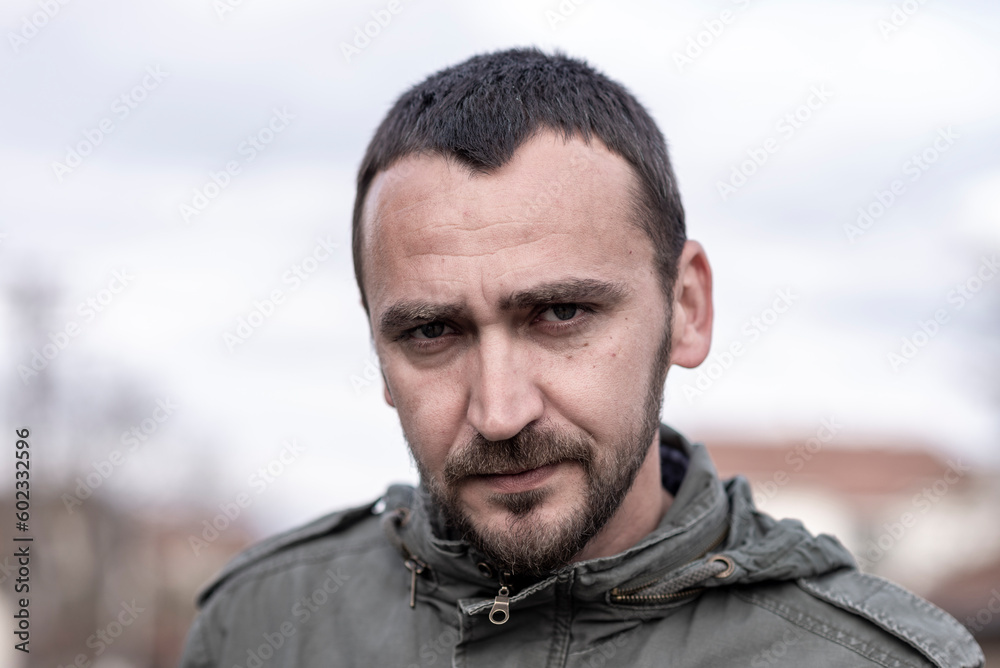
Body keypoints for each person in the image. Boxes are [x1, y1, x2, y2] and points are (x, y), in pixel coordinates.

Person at [179, 48, 983, 668]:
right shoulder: (260, 625)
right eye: (431, 333)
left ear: (687, 310)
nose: (499, 412)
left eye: (561, 314)